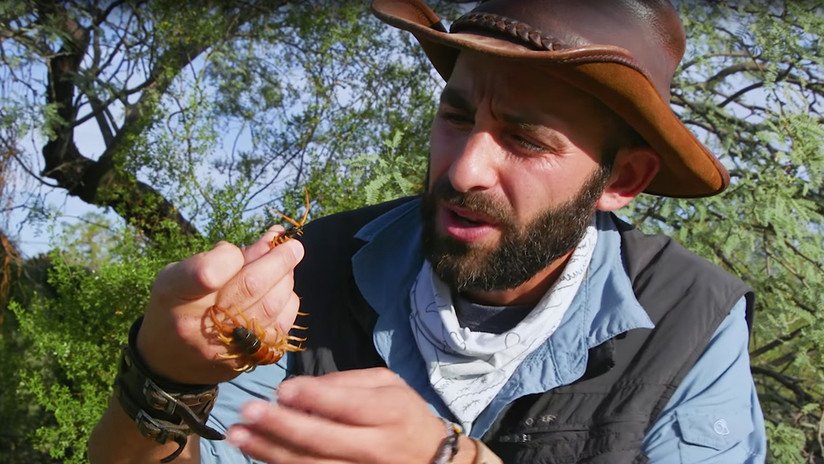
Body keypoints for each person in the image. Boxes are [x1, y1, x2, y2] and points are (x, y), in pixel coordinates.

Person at [88, 0, 767, 462]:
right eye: (458, 115)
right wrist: (162, 379)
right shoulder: (316, 271)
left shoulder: (690, 321)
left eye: (526, 141)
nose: (466, 166)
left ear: (622, 181)